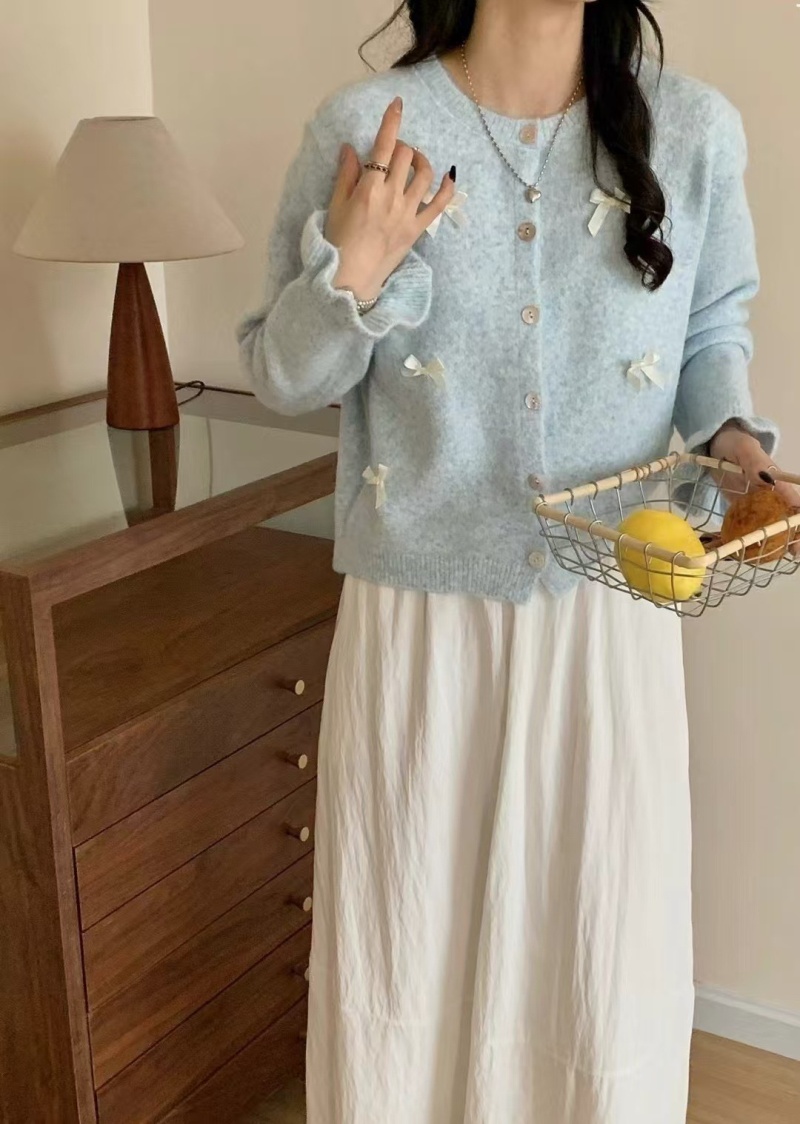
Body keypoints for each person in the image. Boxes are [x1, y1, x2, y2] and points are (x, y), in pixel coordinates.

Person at [237, 2, 796, 1120]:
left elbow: (709, 339)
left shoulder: (691, 130)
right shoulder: (368, 126)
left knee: (596, 958)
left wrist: (737, 449)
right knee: (408, 956)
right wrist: (354, 269)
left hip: (607, 619)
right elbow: (282, 377)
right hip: (418, 628)